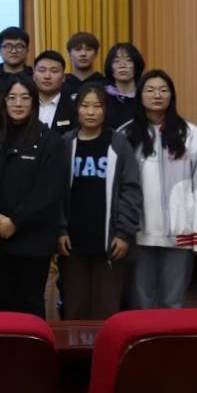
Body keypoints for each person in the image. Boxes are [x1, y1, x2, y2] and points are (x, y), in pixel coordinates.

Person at [120, 70, 197, 310]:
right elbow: (118, 189)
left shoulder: (190, 134)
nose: (157, 95)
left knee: (173, 303)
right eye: (150, 90)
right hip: (138, 233)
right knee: (140, 303)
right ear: (140, 95)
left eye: (163, 90)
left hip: (179, 234)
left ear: (172, 96)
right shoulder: (125, 135)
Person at [0, 76, 68, 318]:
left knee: (29, 306)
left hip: (33, 241)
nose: (18, 103)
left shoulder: (49, 140)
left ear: (34, 102)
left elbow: (49, 191)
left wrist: (16, 222)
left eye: (25, 98)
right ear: (3, 101)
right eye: (12, 98)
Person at [58, 83, 142, 319]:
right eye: (85, 106)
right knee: (75, 308)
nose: (91, 112)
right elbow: (55, 192)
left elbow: (131, 190)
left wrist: (124, 233)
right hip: (72, 242)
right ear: (77, 109)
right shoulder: (66, 143)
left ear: (105, 110)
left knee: (106, 310)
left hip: (110, 242)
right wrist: (60, 230)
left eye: (97, 106)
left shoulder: (118, 143)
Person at [103, 43, 145, 129]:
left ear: (136, 66)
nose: (122, 65)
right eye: (116, 61)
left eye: (128, 60)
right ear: (110, 68)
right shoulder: (102, 96)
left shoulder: (145, 97)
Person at [33, 50, 76, 134]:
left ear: (63, 77)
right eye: (42, 70)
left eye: (54, 71)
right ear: (34, 76)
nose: (47, 76)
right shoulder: (25, 104)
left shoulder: (73, 107)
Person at [0, 26, 31, 97]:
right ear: (0, 51)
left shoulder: (35, 79)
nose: (14, 51)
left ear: (27, 50)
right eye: (8, 47)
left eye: (19, 46)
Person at [62, 32, 104, 101]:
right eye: (77, 49)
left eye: (88, 49)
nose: (83, 54)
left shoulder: (105, 84)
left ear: (96, 54)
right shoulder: (61, 84)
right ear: (69, 54)